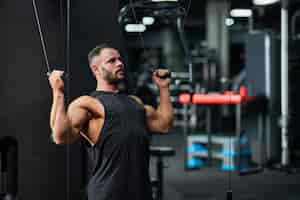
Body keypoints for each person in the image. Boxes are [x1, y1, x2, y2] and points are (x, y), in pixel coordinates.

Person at [48, 43, 174, 200]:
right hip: (107, 194)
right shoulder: (87, 103)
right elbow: (60, 136)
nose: (120, 63)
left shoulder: (135, 102)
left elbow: (164, 124)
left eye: (120, 59)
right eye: (111, 61)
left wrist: (164, 88)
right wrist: (58, 91)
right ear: (96, 69)